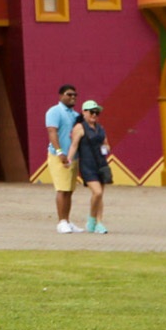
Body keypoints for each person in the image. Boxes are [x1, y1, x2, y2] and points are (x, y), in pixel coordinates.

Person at [43, 82, 80, 233]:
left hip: (73, 156)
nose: (72, 97)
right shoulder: (54, 111)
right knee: (62, 189)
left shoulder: (76, 115)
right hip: (59, 156)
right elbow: (52, 131)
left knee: (70, 189)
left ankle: (68, 220)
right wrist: (59, 152)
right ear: (61, 96)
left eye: (74, 95)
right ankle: (61, 221)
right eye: (69, 94)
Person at [70, 99, 111, 234]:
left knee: (100, 195)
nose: (94, 115)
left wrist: (105, 149)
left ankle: (99, 222)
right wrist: (68, 159)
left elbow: (106, 144)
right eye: (92, 112)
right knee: (97, 192)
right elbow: (74, 145)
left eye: (96, 112)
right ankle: (92, 219)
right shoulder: (80, 128)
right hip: (87, 165)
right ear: (84, 112)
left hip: (101, 163)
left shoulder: (100, 128)